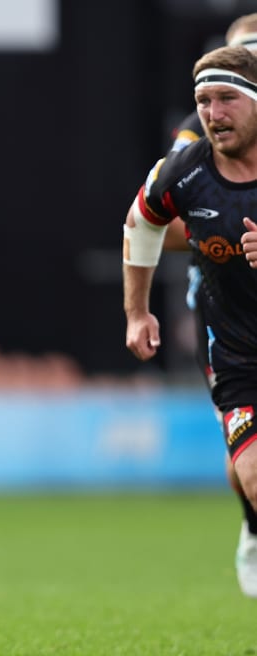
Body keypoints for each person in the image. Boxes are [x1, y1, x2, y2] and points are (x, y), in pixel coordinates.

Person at [125, 46, 257, 558]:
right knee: (249, 477)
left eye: (227, 98)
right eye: (204, 100)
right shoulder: (183, 170)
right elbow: (140, 225)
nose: (213, 113)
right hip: (236, 352)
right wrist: (137, 312)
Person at [159, 14, 257, 599]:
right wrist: (217, 225)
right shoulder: (198, 135)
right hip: (228, 309)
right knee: (243, 444)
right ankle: (252, 523)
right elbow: (160, 221)